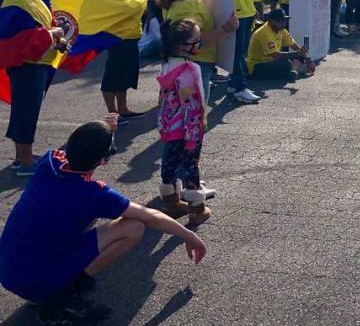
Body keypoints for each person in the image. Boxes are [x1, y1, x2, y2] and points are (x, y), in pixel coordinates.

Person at [0, 118, 206, 312]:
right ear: (103, 162)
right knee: (134, 226)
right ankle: (66, 290)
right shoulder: (92, 193)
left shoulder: (49, 162)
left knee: (79, 216)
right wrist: (189, 236)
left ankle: (59, 274)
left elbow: (82, 145)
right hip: (36, 283)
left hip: (8, 271)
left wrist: (103, 130)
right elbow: (150, 216)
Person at [0, 0, 64, 176]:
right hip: (27, 67)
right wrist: (53, 33)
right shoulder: (15, 3)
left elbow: (39, 28)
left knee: (25, 110)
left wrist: (56, 39)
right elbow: (17, 40)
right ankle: (26, 162)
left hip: (38, 64)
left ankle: (22, 157)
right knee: (26, 112)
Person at [156, 0, 239, 104]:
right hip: (196, 66)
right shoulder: (190, 6)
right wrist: (226, 28)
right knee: (195, 119)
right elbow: (193, 42)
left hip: (184, 65)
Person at [157, 20, 211, 225]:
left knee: (169, 163)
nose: (199, 44)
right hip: (188, 128)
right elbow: (193, 105)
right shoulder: (190, 69)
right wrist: (195, 132)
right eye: (196, 40)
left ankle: (171, 203)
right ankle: (197, 209)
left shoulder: (167, 66)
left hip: (170, 127)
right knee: (190, 165)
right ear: (181, 45)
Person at [100, 0, 145, 121]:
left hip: (131, 39)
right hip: (117, 39)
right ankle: (112, 113)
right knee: (113, 76)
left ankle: (123, 108)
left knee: (125, 75)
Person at [247, 9, 315, 81]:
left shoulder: (281, 30)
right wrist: (297, 53)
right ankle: (293, 71)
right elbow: (275, 55)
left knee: (300, 55)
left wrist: (308, 60)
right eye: (280, 21)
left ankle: (293, 72)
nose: (283, 23)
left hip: (271, 62)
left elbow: (294, 45)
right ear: (271, 21)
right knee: (286, 63)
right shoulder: (264, 32)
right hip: (257, 66)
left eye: (284, 20)